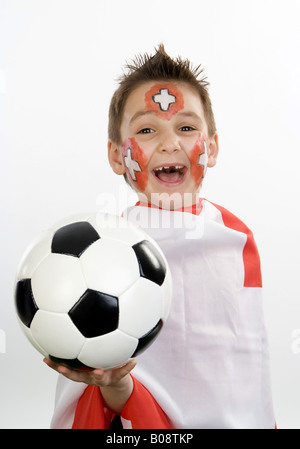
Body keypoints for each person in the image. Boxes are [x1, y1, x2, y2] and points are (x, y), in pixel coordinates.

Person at [44, 44, 276, 429]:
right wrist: (114, 383)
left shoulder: (236, 241)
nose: (170, 144)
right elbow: (114, 382)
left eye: (186, 127)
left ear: (212, 147)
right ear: (118, 155)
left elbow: (246, 367)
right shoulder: (103, 253)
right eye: (147, 130)